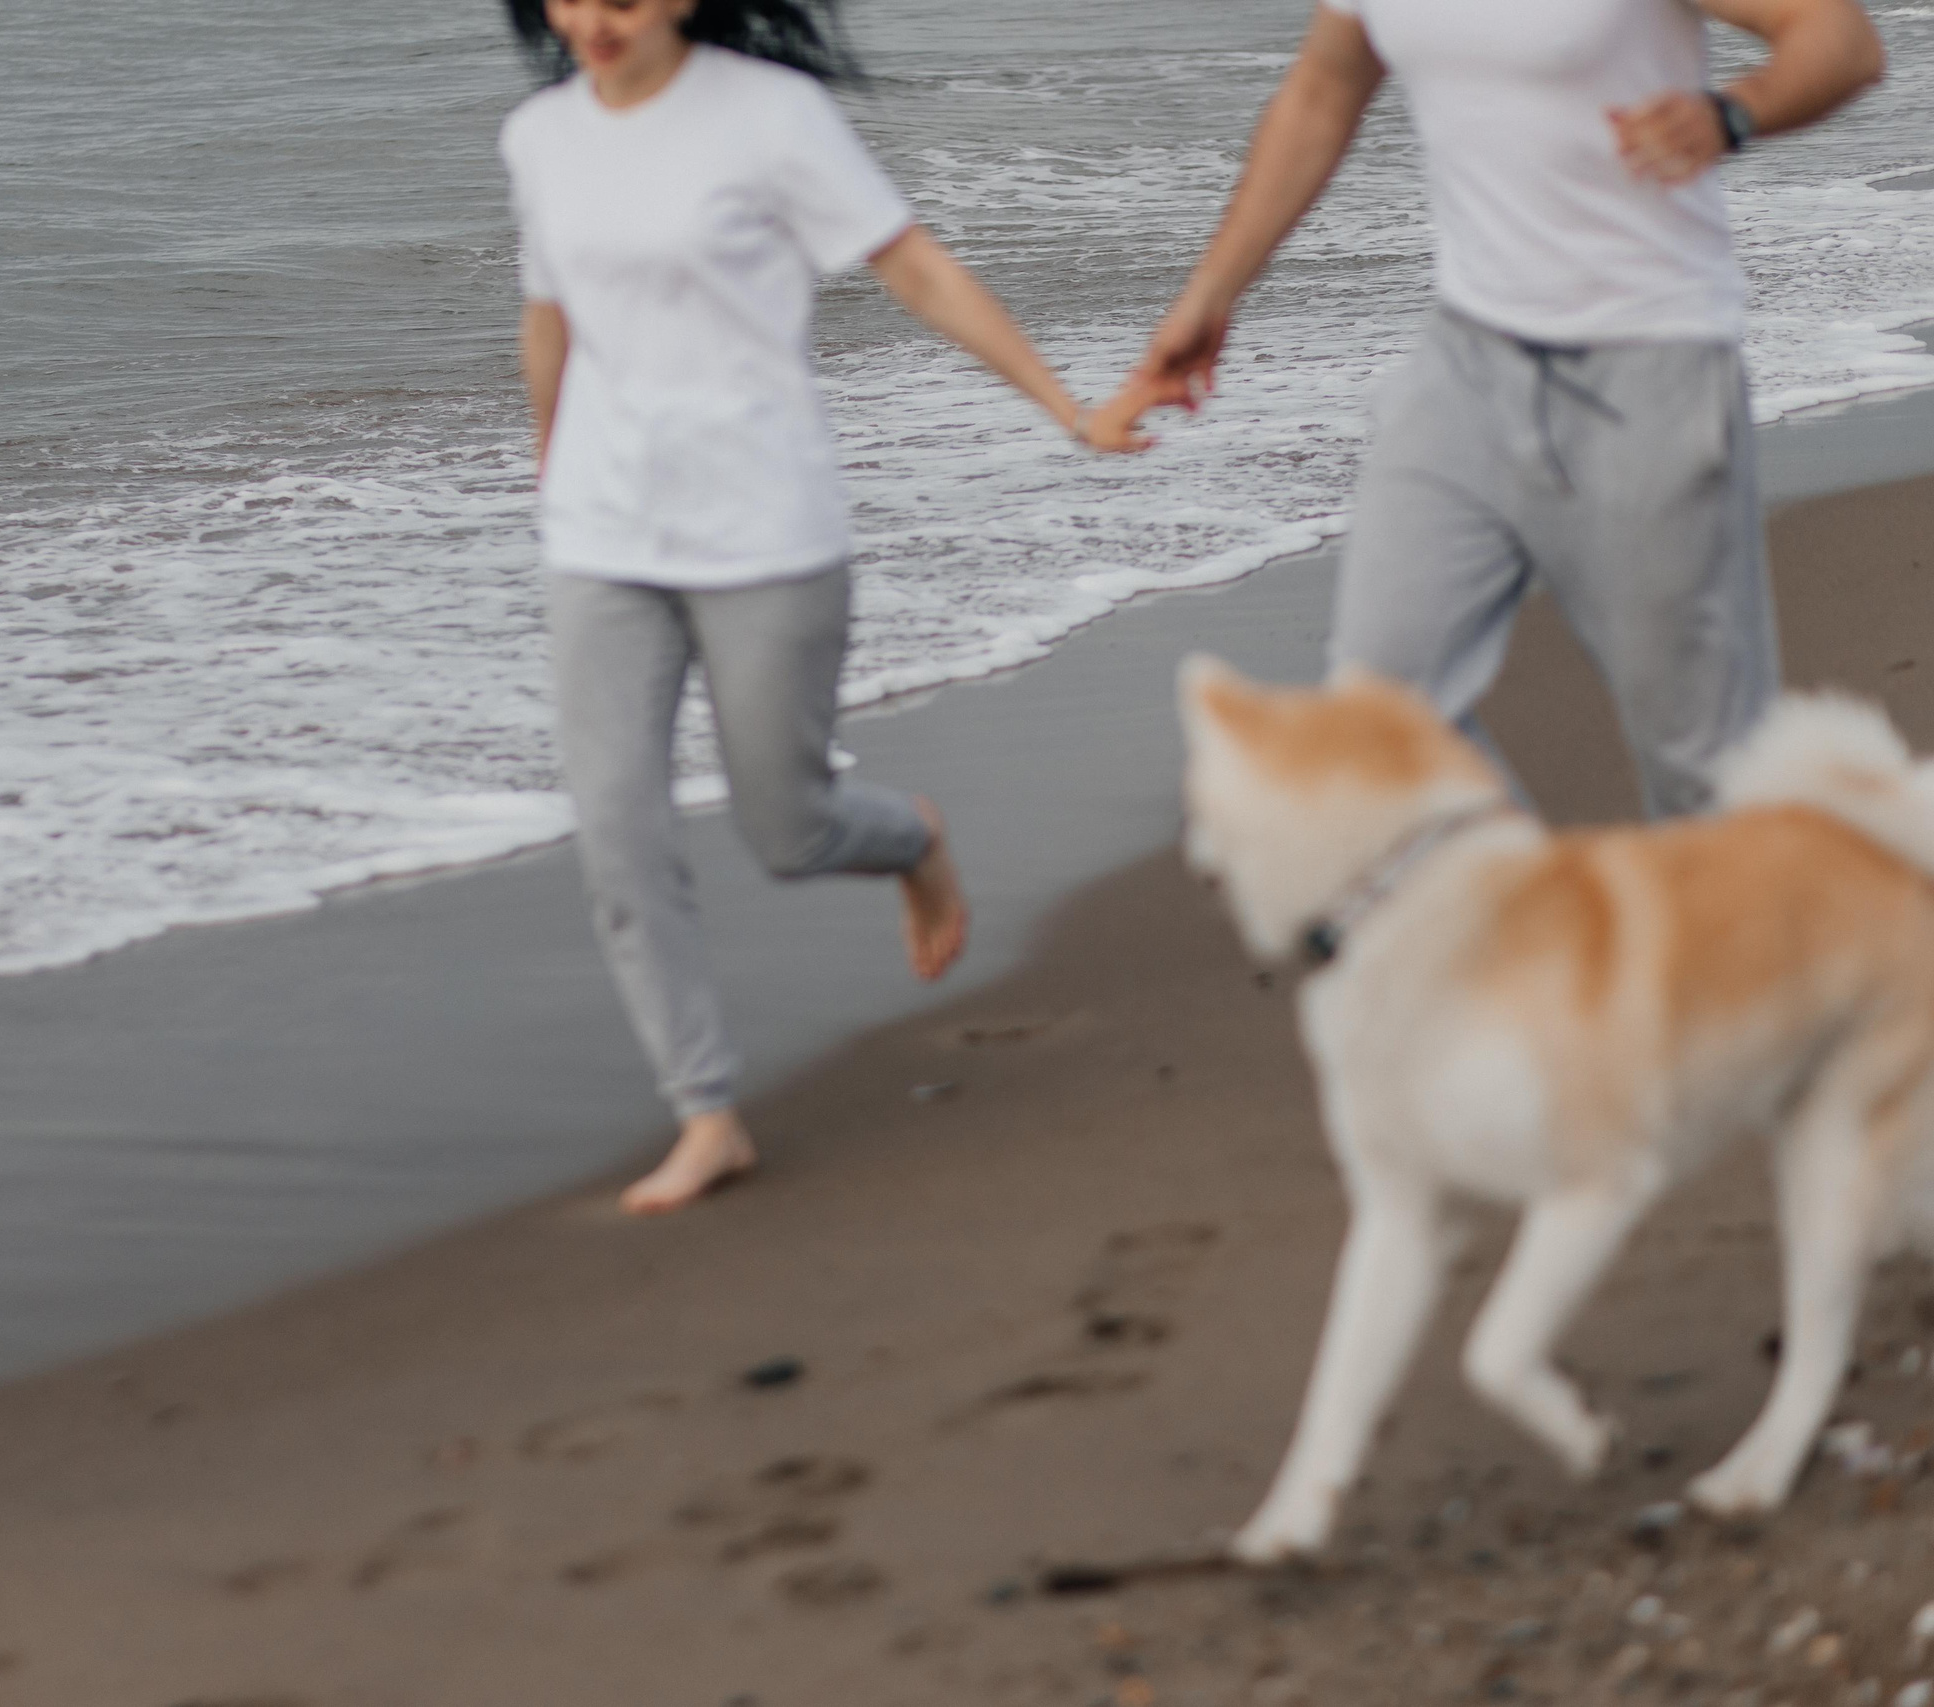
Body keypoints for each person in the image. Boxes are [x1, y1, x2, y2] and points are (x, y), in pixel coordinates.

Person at [501, 0, 1139, 1213]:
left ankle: (909, 839)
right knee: (616, 834)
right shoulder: (540, 136)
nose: (595, 17)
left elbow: (916, 268)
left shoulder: (769, 116)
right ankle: (706, 1114)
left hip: (763, 527)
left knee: (785, 831)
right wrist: (548, 475)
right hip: (601, 534)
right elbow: (550, 317)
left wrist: (1064, 407)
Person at [1092, 0, 1884, 818]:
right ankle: (1531, 933)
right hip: (1465, 362)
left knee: (1712, 780)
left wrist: (1731, 112)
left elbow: (1842, 40)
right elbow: (1324, 87)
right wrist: (1211, 294)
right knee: (1383, 719)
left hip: (1646, 365)